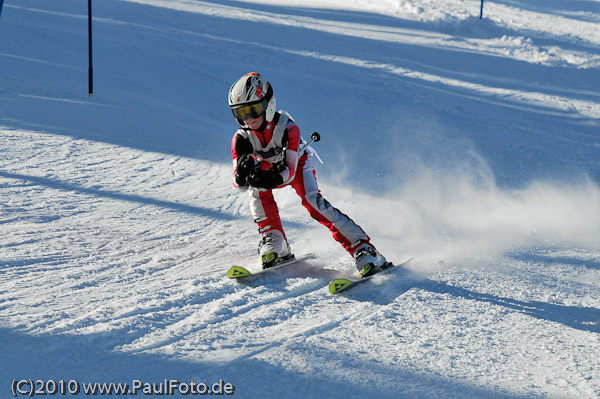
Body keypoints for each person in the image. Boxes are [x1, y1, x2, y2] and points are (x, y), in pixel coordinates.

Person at [228, 72, 386, 277]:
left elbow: (289, 171)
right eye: (241, 114)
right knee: (255, 188)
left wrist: (272, 178)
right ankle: (275, 240)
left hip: (297, 164)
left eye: (253, 110)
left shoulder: (287, 128)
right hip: (268, 168)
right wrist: (242, 173)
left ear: (269, 104)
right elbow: (238, 184)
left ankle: (363, 248)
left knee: (312, 201)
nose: (248, 119)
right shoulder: (240, 138)